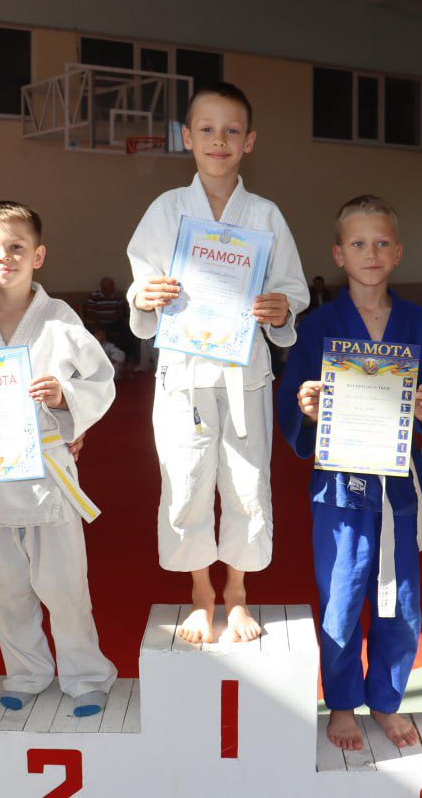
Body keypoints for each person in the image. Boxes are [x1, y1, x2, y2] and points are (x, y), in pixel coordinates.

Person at [126, 82, 308, 644]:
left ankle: (238, 593)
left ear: (249, 141)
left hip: (244, 373)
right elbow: (142, 280)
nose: (219, 140)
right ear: (187, 137)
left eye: (232, 131)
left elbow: (292, 289)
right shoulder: (166, 210)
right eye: (206, 129)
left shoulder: (266, 215)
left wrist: (280, 308)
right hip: (183, 375)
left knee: (248, 485)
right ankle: (201, 593)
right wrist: (145, 295)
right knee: (185, 483)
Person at [0, 200, 117, 716]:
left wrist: (65, 397)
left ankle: (86, 675)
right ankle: (26, 672)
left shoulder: (60, 320)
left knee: (64, 585)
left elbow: (101, 381)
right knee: (5, 588)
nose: (4, 256)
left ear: (38, 255)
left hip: (46, 478)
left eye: (16, 246)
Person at [277, 195, 422, 752]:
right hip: (339, 489)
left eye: (381, 243)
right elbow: (293, 400)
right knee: (343, 596)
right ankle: (343, 703)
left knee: (401, 600)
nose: (370, 253)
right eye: (357, 244)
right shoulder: (316, 326)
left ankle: (388, 702)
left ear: (397, 253)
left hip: (397, 488)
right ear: (338, 254)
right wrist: (306, 408)